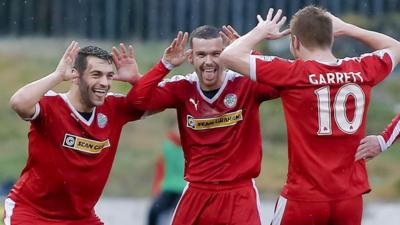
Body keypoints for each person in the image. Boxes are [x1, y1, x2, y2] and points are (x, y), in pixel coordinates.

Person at [220, 6, 400, 225]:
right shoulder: (362, 69)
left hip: (304, 198)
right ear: (332, 38)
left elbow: (229, 56)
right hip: (349, 199)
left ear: (295, 41)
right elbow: (395, 47)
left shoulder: (292, 73)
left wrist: (261, 31)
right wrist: (350, 29)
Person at [125, 26, 279, 225]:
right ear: (191, 58)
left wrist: (249, 56)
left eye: (216, 54)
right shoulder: (182, 87)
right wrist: (165, 65)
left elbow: (280, 83)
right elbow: (137, 101)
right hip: (197, 192)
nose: (208, 61)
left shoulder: (245, 83)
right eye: (201, 54)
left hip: (239, 193)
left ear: (226, 54)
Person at [3, 42, 171, 224]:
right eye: (96, 75)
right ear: (76, 76)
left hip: (80, 218)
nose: (105, 83)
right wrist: (57, 75)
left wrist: (136, 79)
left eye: (109, 76)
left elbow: (159, 103)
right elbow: (18, 103)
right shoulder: (52, 105)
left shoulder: (114, 108)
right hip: (33, 214)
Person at [147, 119, 186, 225]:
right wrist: (156, 188)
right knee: (153, 212)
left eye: (180, 127)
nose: (178, 131)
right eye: (176, 128)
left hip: (185, 190)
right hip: (168, 189)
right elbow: (160, 168)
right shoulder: (167, 146)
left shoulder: (190, 145)